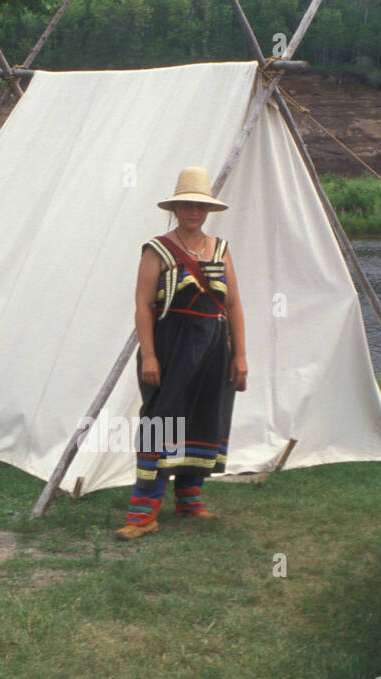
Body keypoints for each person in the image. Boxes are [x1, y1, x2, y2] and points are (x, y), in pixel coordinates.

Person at [115, 166, 248, 540]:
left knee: (205, 418)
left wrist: (240, 356)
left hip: (214, 351)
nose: (194, 212)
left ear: (208, 211)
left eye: (200, 206)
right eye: (187, 205)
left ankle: (190, 499)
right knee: (161, 422)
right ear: (176, 208)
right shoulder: (157, 249)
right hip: (171, 348)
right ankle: (142, 514)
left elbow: (234, 306)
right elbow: (143, 306)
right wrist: (150, 355)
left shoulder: (220, 249)